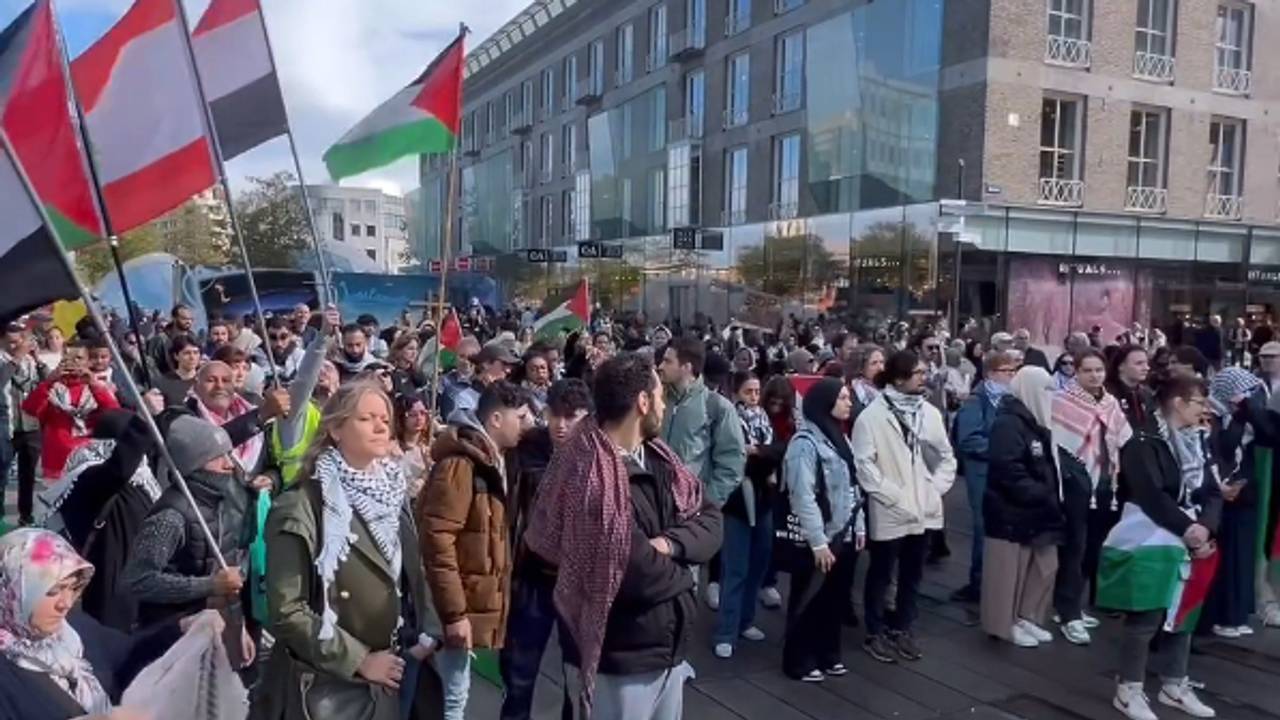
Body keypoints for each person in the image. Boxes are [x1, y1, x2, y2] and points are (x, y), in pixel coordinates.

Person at [524, 353, 722, 719]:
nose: (663, 405)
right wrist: (685, 577)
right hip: (616, 661)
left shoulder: (661, 459)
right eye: (660, 396)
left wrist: (670, 545)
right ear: (642, 402)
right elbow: (632, 571)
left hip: (665, 650)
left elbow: (710, 520)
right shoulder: (587, 473)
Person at [258, 380, 444, 720]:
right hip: (330, 683)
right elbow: (287, 609)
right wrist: (358, 660)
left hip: (391, 665)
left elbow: (409, 571)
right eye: (366, 419)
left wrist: (426, 633)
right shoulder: (302, 505)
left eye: (385, 419)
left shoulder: (392, 492)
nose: (380, 426)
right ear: (335, 429)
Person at [1102, 375, 1221, 720]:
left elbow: (1212, 489)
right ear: (1179, 403)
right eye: (1199, 401)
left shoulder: (1199, 439)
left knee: (1184, 611)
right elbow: (1151, 494)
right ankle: (1129, 689)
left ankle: (1174, 682)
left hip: (1193, 533)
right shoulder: (1143, 440)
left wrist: (1206, 528)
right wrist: (1189, 529)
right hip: (1153, 534)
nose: (1205, 409)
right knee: (1147, 612)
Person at [0, 528, 194, 720]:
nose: (65, 603)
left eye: (73, 588)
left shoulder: (74, 628)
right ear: (13, 593)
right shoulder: (6, 673)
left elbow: (128, 655)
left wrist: (181, 629)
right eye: (53, 591)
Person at [420, 381, 529, 720]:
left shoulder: (493, 460)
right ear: (496, 419)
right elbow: (438, 538)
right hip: (453, 606)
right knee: (452, 697)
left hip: (466, 603)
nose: (527, 425)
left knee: (455, 690)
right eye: (521, 417)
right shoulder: (462, 465)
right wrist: (454, 614)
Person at [852, 350, 956, 664]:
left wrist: (933, 490)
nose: (925, 377)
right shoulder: (871, 417)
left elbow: (946, 456)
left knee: (913, 573)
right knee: (881, 572)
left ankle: (903, 628)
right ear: (899, 379)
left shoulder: (930, 413)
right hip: (891, 508)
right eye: (919, 373)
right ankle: (875, 631)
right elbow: (864, 465)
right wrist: (893, 494)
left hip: (923, 508)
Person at [500, 379, 593, 720]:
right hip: (533, 577)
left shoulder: (602, 456)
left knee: (576, 676)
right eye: (555, 415)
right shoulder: (530, 447)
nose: (562, 424)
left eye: (572, 416)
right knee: (519, 674)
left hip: (577, 583)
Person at [39, 406, 163, 632]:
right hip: (110, 588)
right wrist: (143, 422)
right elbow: (119, 470)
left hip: (136, 582)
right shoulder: (91, 476)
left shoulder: (141, 481)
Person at [122, 415, 249, 629]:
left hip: (214, 624)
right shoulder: (171, 517)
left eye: (229, 454)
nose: (229, 465)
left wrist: (239, 626)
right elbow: (138, 581)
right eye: (219, 457)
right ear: (195, 464)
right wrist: (208, 586)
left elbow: (229, 572)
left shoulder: (220, 502)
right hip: (170, 632)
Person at [780, 378, 864, 681]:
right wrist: (817, 542)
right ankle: (798, 658)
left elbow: (854, 486)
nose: (848, 403)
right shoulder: (805, 443)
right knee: (808, 598)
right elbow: (802, 494)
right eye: (841, 398)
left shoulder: (842, 439)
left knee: (835, 598)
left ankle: (828, 653)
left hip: (844, 532)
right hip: (818, 537)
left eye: (848, 397)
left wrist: (859, 526)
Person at [1051, 349, 1131, 644]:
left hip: (1106, 483)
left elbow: (1124, 436)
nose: (1095, 375)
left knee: (1092, 547)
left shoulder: (1109, 402)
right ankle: (1068, 612)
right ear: (1077, 372)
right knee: (1075, 545)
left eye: (1099, 370)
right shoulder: (1061, 401)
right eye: (1088, 370)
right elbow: (1061, 443)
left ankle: (1072, 605)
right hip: (1076, 484)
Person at [980, 366, 1064, 647]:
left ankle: (1026, 615)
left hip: (1037, 509)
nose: (1049, 396)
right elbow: (1007, 467)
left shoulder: (1035, 422)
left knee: (1041, 565)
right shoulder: (1010, 423)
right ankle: (1003, 623)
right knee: (1006, 572)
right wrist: (1040, 492)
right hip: (1011, 510)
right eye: (1045, 390)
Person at [658, 337, 745, 609]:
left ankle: (679, 647)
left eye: (667, 361)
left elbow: (731, 463)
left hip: (687, 514)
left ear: (687, 367)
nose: (660, 366)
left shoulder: (716, 407)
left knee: (685, 586)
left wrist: (706, 503)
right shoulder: (656, 400)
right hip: (651, 507)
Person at [714, 371, 787, 660]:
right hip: (738, 504)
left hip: (764, 501)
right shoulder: (730, 421)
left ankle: (745, 620)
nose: (754, 398)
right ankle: (725, 631)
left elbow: (779, 450)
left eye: (757, 391)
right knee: (735, 568)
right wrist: (761, 456)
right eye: (748, 392)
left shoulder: (766, 422)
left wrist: (758, 451)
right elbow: (735, 458)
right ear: (736, 393)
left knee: (760, 561)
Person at [1204, 368, 1280, 638]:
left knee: (1241, 555)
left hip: (1243, 493)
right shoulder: (1212, 416)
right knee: (1223, 558)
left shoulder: (1242, 417)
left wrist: (1248, 409)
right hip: (1219, 495)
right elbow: (1216, 451)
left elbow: (1271, 431)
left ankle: (1234, 615)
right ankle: (1218, 617)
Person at [951, 350, 1020, 603]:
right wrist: (1001, 450)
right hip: (982, 474)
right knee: (983, 527)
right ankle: (978, 583)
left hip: (1005, 473)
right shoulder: (976, 401)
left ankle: (998, 582)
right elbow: (969, 441)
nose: (1012, 375)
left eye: (1014, 371)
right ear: (991, 373)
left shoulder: (1012, 399)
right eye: (1007, 371)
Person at [23, 341, 120, 483]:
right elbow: (30, 409)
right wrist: (49, 382)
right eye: (67, 357)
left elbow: (115, 414)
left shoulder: (98, 386)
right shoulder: (52, 388)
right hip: (57, 459)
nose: (73, 363)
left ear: (88, 361)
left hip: (89, 456)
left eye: (78, 358)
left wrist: (94, 384)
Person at [757, 374, 798, 610]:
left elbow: (788, 447)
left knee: (774, 535)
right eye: (773, 401)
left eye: (781, 402)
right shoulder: (759, 417)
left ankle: (768, 581)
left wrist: (763, 451)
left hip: (781, 484)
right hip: (760, 480)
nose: (776, 406)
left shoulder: (792, 422)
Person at [1, 322, 46, 526]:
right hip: (6, 428)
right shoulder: (4, 360)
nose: (15, 346)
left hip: (30, 426)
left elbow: (48, 384)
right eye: (10, 343)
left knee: (27, 476)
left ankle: (25, 516)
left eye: (19, 342)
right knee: (1, 475)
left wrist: (37, 360)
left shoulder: (32, 362)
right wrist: (16, 357)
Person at [1108, 345, 1158, 435]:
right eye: (1139, 363)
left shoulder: (1147, 393)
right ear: (1121, 366)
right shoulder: (1108, 395)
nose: (1146, 368)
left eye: (1147, 363)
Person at [393, 395, 432, 497]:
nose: (419, 418)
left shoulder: (430, 447)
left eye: (423, 413)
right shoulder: (393, 449)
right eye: (412, 414)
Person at [145, 304, 196, 377]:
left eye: (191, 319)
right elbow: (151, 366)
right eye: (184, 318)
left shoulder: (193, 338)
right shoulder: (159, 340)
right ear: (174, 318)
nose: (188, 322)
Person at [153, 334, 201, 409]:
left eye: (196, 353)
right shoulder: (162, 382)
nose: (192, 357)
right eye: (187, 353)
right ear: (176, 356)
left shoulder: (205, 380)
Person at [263, 317, 306, 385]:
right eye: (273, 337)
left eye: (283, 337)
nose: (278, 343)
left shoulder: (300, 354)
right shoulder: (259, 353)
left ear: (291, 335)